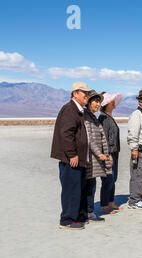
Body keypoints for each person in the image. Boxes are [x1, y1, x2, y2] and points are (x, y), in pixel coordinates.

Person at [51, 81, 91, 230]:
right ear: (75, 94)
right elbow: (66, 134)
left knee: (78, 188)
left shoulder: (79, 110)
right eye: (84, 93)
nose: (87, 96)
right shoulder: (69, 109)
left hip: (79, 158)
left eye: (88, 93)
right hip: (71, 159)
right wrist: (72, 154)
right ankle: (67, 220)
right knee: (71, 189)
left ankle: (78, 215)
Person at [83, 90, 113, 222]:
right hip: (90, 158)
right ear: (88, 102)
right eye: (95, 101)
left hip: (94, 159)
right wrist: (99, 153)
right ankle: (88, 212)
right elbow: (89, 139)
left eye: (99, 101)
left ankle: (88, 211)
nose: (98, 104)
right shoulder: (86, 117)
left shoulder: (92, 117)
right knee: (89, 185)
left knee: (91, 184)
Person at [99, 93, 124, 213]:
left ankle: (110, 201)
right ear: (105, 104)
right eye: (111, 101)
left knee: (113, 178)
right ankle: (104, 205)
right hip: (109, 153)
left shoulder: (109, 117)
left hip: (115, 152)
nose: (113, 102)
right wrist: (107, 154)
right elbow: (103, 138)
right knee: (108, 179)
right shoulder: (103, 118)